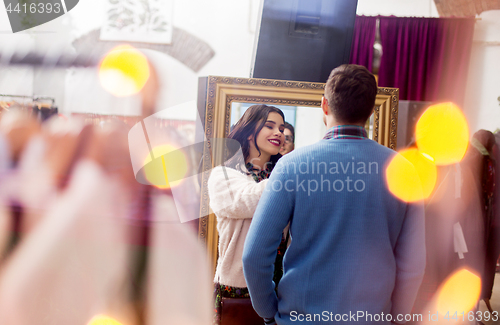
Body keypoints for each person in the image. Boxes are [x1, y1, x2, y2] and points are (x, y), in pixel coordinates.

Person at [242, 64, 426, 325]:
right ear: (371, 111)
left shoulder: (291, 166)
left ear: (324, 105)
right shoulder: (405, 172)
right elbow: (413, 264)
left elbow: (254, 255)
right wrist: (397, 318)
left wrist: (270, 312)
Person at [207, 104, 287, 324]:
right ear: (250, 132)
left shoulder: (280, 176)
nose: (279, 133)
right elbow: (250, 199)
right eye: (270, 126)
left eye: (281, 128)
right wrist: (291, 173)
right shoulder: (223, 176)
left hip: (282, 287)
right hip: (238, 290)